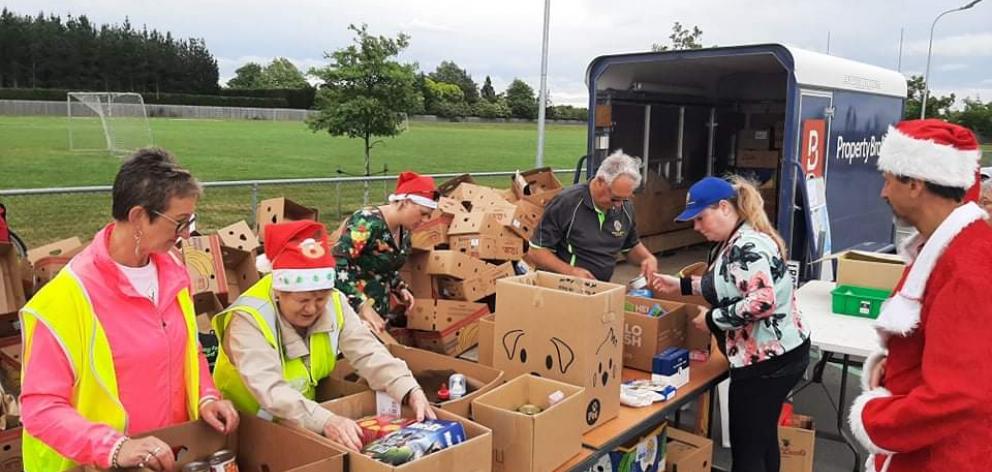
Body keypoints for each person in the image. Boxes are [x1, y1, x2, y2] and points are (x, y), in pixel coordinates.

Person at [19, 149, 239, 472]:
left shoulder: (174, 270)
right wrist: (115, 447)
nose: (187, 234)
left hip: (170, 457)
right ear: (138, 217)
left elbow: (187, 350)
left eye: (190, 221)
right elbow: (39, 408)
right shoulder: (66, 298)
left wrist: (206, 396)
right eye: (179, 222)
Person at [211, 220, 435, 452]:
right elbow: (269, 388)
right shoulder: (249, 318)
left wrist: (408, 388)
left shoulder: (335, 303)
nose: (312, 309)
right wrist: (326, 421)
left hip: (301, 418)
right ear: (279, 292)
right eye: (303, 301)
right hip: (243, 426)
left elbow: (367, 351)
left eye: (320, 299)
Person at [848, 120, 992, 472]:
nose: (883, 193)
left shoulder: (968, 267)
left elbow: (959, 396)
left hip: (942, 459)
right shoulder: (947, 248)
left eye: (887, 180)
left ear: (914, 184)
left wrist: (873, 418)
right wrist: (896, 365)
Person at [651, 175, 810, 472]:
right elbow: (730, 284)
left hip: (765, 363)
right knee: (762, 439)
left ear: (724, 207)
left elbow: (762, 301)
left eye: (700, 218)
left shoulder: (745, 246)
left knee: (748, 448)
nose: (697, 227)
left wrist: (712, 319)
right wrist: (681, 286)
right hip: (780, 355)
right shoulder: (736, 239)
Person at [527, 150, 658, 282]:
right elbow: (537, 251)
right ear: (600, 181)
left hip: (600, 290)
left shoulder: (625, 207)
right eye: (615, 198)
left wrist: (647, 258)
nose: (619, 205)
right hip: (563, 288)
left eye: (625, 199)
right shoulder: (566, 203)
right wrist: (571, 272)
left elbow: (630, 246)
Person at [333, 171, 436, 331]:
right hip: (351, 314)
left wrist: (400, 287)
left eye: (429, 216)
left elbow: (386, 265)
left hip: (379, 314)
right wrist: (362, 305)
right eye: (423, 213)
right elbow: (337, 264)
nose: (425, 220)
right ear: (406, 202)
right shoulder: (367, 222)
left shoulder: (405, 229)